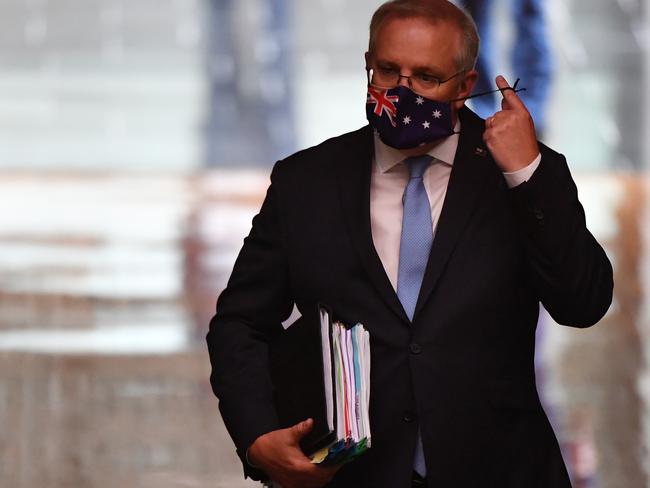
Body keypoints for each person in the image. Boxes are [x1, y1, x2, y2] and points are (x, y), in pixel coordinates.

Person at [206, 1, 613, 487]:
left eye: (426, 77)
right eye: (387, 71)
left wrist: (527, 177)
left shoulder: (521, 173)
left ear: (465, 86)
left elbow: (583, 302)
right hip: (351, 476)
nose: (402, 92)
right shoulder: (306, 181)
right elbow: (240, 323)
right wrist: (257, 435)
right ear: (368, 65)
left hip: (500, 471)